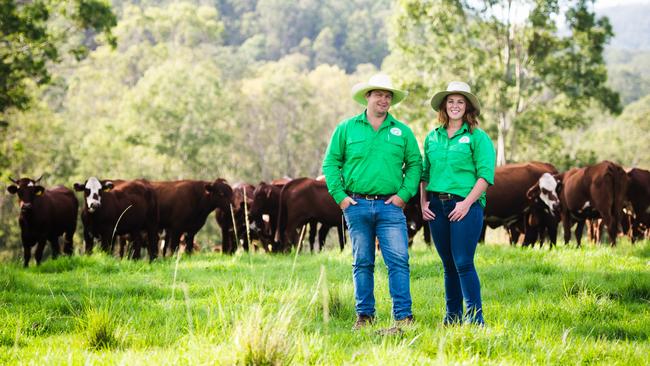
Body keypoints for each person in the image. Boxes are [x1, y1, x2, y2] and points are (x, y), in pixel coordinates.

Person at [322, 74, 422, 331]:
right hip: (357, 205)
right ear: (367, 97)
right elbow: (331, 163)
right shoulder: (346, 129)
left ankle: (403, 316)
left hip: (391, 208)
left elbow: (414, 165)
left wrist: (403, 196)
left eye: (388, 96)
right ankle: (365, 316)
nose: (384, 99)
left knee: (398, 261)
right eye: (379, 94)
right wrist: (341, 198)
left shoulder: (402, 132)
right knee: (362, 262)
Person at [420, 81, 495, 325]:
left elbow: (485, 176)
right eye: (450, 101)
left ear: (468, 107)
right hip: (437, 207)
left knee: (463, 261)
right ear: (444, 106)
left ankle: (475, 319)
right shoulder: (432, 137)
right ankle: (452, 318)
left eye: (460, 102)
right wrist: (423, 203)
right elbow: (425, 174)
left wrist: (465, 204)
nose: (455, 106)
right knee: (448, 264)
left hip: (466, 206)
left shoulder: (477, 137)